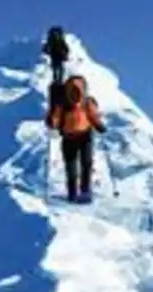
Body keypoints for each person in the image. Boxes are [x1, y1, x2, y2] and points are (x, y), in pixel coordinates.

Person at [46, 74, 107, 203]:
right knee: (76, 166)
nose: (76, 98)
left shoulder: (85, 103)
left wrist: (99, 126)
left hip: (82, 136)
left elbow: (93, 116)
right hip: (74, 137)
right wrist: (99, 126)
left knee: (84, 163)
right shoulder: (65, 103)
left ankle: (81, 192)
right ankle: (76, 193)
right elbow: (56, 118)